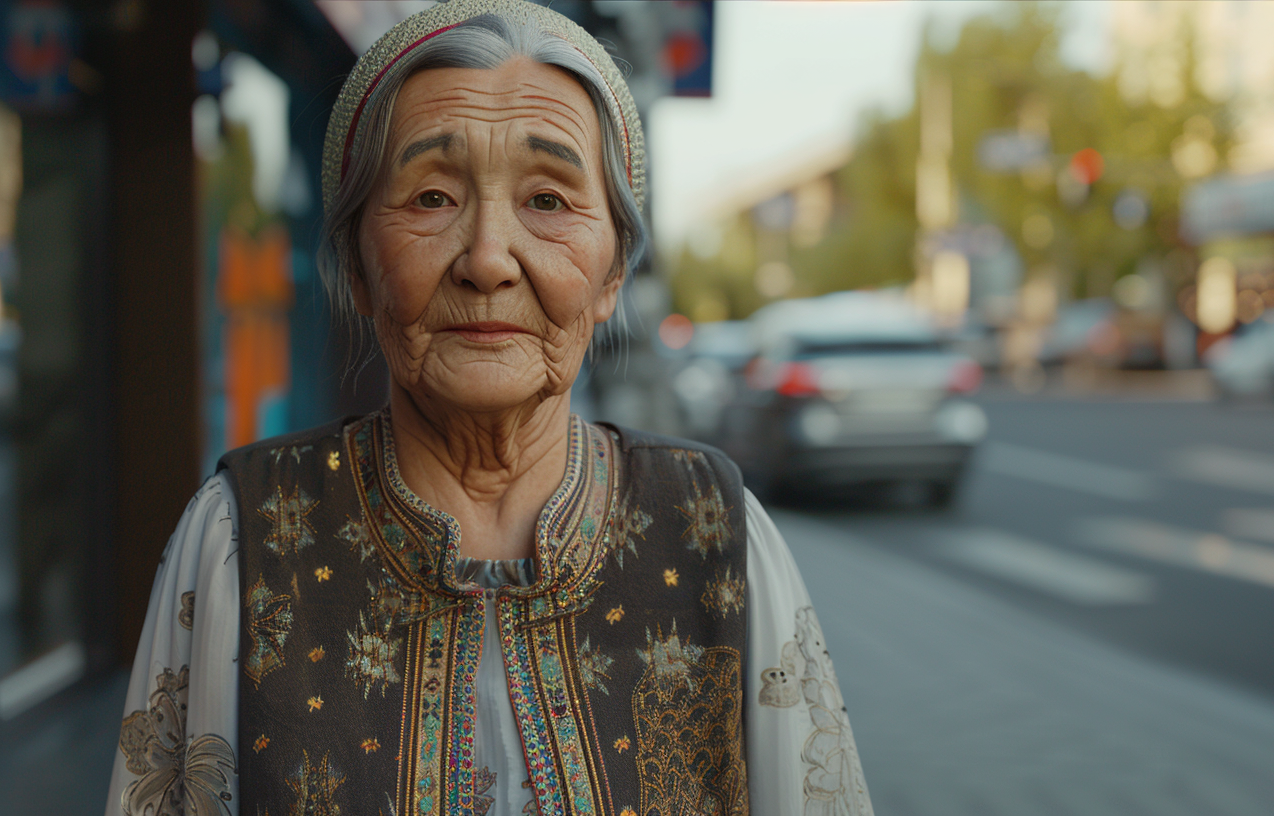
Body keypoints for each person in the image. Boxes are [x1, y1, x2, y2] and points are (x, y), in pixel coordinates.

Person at [104, 2, 872, 815]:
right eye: (432, 196)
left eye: (548, 200)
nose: (487, 259)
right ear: (358, 267)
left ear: (613, 275)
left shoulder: (716, 535)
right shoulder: (240, 543)